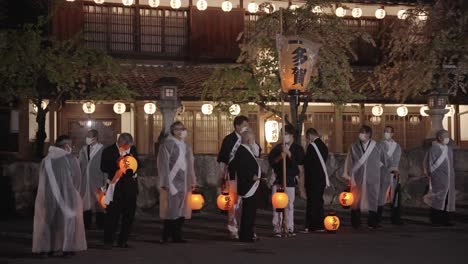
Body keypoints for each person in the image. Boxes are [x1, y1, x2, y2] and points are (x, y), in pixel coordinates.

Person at [33, 135, 87, 257]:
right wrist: (75, 192)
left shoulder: (46, 159)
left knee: (49, 222)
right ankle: (67, 248)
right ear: (65, 145)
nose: (71, 147)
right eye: (70, 144)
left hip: (49, 196)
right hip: (68, 195)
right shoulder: (70, 158)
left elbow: (41, 179)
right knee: (68, 222)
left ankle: (47, 249)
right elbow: (77, 178)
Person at [217, 115, 261, 239]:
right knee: (233, 204)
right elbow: (223, 159)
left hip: (246, 178)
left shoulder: (248, 138)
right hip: (232, 176)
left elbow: (257, 153)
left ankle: (247, 229)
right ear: (237, 126)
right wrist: (222, 176)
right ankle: (233, 228)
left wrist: (253, 143)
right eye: (244, 125)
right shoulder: (229, 139)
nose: (246, 128)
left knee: (246, 206)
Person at [158, 121, 197, 243]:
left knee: (182, 209)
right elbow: (162, 164)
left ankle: (177, 235)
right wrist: (165, 181)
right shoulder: (167, 144)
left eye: (182, 129)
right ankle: (166, 235)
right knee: (171, 209)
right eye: (177, 129)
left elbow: (190, 164)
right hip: (172, 180)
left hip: (185, 180)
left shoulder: (186, 146)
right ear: (172, 131)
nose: (180, 131)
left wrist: (193, 179)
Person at [343, 125, 386, 229]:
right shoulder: (354, 146)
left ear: (369, 135)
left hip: (373, 176)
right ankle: (356, 222)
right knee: (356, 199)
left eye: (364, 133)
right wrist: (347, 174)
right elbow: (350, 160)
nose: (362, 135)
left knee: (373, 198)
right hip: (358, 176)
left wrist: (379, 171)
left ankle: (372, 222)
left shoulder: (378, 146)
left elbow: (384, 161)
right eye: (361, 132)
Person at [100, 133, 139, 248]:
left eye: (130, 146)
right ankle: (108, 241)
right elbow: (103, 167)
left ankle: (123, 240)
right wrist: (118, 165)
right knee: (112, 215)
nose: (128, 148)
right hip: (115, 186)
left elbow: (138, 164)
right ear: (120, 142)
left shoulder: (133, 149)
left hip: (130, 186)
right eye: (126, 146)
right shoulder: (109, 151)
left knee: (129, 215)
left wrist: (132, 167)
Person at [268, 125, 304, 237]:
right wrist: (280, 156)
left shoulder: (298, 149)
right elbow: (272, 162)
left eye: (286, 134)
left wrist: (289, 154)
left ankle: (289, 227)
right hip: (278, 179)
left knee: (289, 205)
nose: (284, 136)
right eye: (282, 134)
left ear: (291, 135)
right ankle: (277, 227)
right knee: (277, 205)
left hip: (289, 180)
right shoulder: (277, 148)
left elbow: (298, 166)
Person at [228, 130, 261, 242]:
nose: (253, 140)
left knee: (251, 212)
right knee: (248, 212)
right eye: (252, 138)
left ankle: (249, 233)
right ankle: (245, 235)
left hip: (252, 184)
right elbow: (242, 168)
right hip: (248, 184)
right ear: (248, 139)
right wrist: (251, 176)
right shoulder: (241, 151)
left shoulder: (247, 150)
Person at [423, 129, 456, 226]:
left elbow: (451, 163)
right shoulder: (433, 148)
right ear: (439, 137)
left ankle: (446, 219)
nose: (447, 138)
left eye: (448, 136)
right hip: (438, 177)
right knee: (438, 197)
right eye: (445, 136)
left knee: (447, 198)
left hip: (449, 177)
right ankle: (435, 220)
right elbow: (430, 164)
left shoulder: (449, 149)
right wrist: (432, 174)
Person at [301, 128, 329, 233]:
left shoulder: (312, 147)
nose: (308, 140)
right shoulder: (324, 146)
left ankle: (311, 225)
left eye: (307, 138)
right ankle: (320, 225)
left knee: (312, 202)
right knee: (319, 202)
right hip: (321, 178)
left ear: (310, 135)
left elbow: (307, 163)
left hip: (312, 179)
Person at [78, 129, 106, 230]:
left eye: (90, 137)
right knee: (85, 202)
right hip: (85, 180)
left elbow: (104, 168)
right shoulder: (84, 149)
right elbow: (80, 164)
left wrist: (104, 182)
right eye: (87, 136)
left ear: (96, 138)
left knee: (99, 203)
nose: (88, 139)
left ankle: (101, 223)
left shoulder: (102, 149)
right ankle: (87, 223)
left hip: (98, 180)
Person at [378, 126, 403, 225]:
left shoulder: (397, 146)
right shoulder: (379, 145)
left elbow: (396, 159)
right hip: (381, 173)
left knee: (395, 196)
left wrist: (394, 168)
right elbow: (377, 159)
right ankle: (377, 218)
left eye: (388, 132)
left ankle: (395, 218)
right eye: (385, 131)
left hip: (393, 173)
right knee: (380, 196)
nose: (386, 133)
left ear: (392, 133)